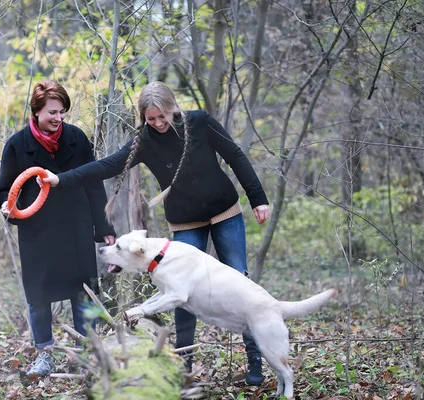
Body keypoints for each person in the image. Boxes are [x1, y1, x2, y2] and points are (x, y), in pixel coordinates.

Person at [42, 81, 271, 385]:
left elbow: (235, 156)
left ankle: (255, 363)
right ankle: (185, 366)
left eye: (163, 116)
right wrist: (60, 179)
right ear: (144, 118)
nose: (159, 123)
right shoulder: (144, 141)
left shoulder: (200, 122)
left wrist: (258, 198)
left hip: (225, 213)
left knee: (241, 283)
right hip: (185, 222)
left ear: (173, 108)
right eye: (151, 119)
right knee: (180, 292)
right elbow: (106, 166)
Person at [0, 81, 116, 376]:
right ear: (36, 111)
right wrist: (10, 209)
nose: (58, 118)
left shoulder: (76, 138)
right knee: (38, 296)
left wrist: (103, 227)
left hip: (76, 227)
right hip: (37, 233)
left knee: (83, 291)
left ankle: (86, 354)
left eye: (62, 112)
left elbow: (94, 182)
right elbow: (4, 192)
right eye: (52, 112)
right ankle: (44, 355)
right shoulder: (17, 144)